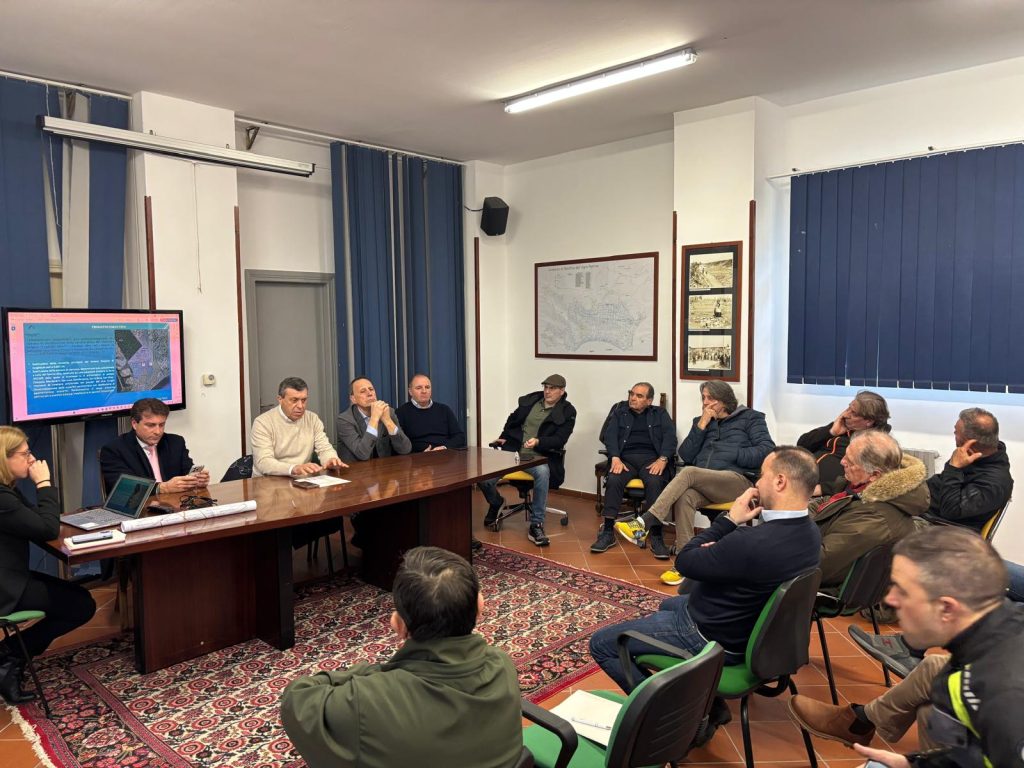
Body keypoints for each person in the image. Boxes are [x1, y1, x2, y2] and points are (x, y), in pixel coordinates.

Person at [590, 446, 821, 742]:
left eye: (762, 475)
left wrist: (730, 520)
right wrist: (718, 551)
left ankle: (673, 718)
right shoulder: (810, 532)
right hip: (749, 631)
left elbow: (685, 561)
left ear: (779, 481)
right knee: (668, 604)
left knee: (602, 644)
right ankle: (710, 705)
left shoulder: (750, 541)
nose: (756, 482)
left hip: (709, 634)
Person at [788, 527, 1024, 768]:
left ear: (946, 608)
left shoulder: (1002, 693)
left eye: (903, 591)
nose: (890, 599)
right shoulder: (988, 643)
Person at [280, 546, 522, 768]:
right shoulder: (502, 664)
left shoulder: (365, 702)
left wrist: (373, 671)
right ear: (480, 607)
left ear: (399, 625)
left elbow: (296, 698)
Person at [614, 380, 775, 551]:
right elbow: (686, 454)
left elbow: (767, 450)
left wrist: (734, 453)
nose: (705, 402)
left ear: (724, 400)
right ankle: (685, 555)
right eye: (703, 398)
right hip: (707, 483)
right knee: (685, 497)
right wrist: (701, 426)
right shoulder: (701, 421)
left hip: (737, 481)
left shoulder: (751, 418)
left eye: (710, 398)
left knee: (689, 472)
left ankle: (644, 522)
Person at [0, 426, 96, 704]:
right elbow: (46, 529)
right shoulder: (2, 498)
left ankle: (9, 654)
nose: (32, 459)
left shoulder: (7, 491)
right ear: (4, 458)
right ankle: (9, 655)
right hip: (6, 587)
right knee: (81, 605)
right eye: (25, 454)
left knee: (77, 596)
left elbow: (37, 520)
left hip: (11, 577)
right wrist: (44, 483)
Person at [811, 430, 928, 589]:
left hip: (821, 585)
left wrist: (793, 525)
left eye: (850, 461)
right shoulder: (863, 484)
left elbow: (818, 564)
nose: (842, 462)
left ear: (874, 475)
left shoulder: (874, 518)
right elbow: (828, 501)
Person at [478, 374, 576, 547]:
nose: (547, 391)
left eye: (552, 388)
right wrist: (503, 436)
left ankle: (536, 524)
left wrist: (538, 441)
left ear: (562, 391)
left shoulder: (567, 411)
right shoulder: (531, 401)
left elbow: (560, 439)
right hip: (513, 453)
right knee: (483, 477)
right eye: (545, 387)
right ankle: (496, 503)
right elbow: (512, 419)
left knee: (543, 472)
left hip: (538, 457)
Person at [591, 383, 676, 557]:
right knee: (614, 479)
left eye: (639, 396)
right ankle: (608, 532)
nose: (633, 398)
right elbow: (610, 436)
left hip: (651, 460)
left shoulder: (660, 414)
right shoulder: (620, 412)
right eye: (632, 394)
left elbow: (670, 438)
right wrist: (615, 457)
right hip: (625, 460)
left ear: (649, 401)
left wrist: (663, 459)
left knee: (655, 481)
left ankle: (656, 536)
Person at [924, 407, 1012, 530]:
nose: (954, 434)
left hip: (941, 528)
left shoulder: (994, 483)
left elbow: (951, 510)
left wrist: (954, 468)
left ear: (970, 443)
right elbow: (941, 483)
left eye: (956, 432)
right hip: (924, 507)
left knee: (893, 518)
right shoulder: (975, 457)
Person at [99, 397, 211, 494]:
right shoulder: (114, 450)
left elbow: (187, 473)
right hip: (139, 508)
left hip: (175, 505)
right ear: (134, 424)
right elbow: (124, 487)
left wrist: (197, 480)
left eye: (161, 425)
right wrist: (162, 488)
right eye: (151, 425)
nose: (158, 431)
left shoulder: (175, 442)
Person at [797, 391, 891, 495]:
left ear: (869, 421)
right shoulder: (843, 425)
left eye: (853, 413)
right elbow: (802, 445)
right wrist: (831, 431)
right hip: (799, 477)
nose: (845, 414)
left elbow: (862, 481)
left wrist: (823, 489)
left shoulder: (875, 445)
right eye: (848, 408)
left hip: (821, 494)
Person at [251, 376, 347, 477]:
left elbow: (324, 448)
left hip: (302, 479)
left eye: (304, 400)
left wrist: (330, 459)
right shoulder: (262, 423)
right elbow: (264, 462)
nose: (300, 406)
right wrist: (293, 468)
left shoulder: (312, 419)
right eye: (294, 400)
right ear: (280, 399)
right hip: (267, 481)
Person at [336, 377, 412, 462]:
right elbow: (362, 454)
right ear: (353, 399)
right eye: (363, 391)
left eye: (371, 389)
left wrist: (388, 421)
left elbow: (405, 449)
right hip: (356, 468)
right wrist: (374, 418)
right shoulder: (344, 420)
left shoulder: (388, 412)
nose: (369, 393)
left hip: (383, 467)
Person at [394, 374, 466, 452]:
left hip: (445, 454)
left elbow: (459, 437)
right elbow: (399, 444)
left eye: (427, 387)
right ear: (410, 392)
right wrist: (420, 453)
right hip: (417, 457)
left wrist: (444, 447)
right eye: (419, 388)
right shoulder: (401, 413)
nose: (424, 391)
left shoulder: (444, 410)